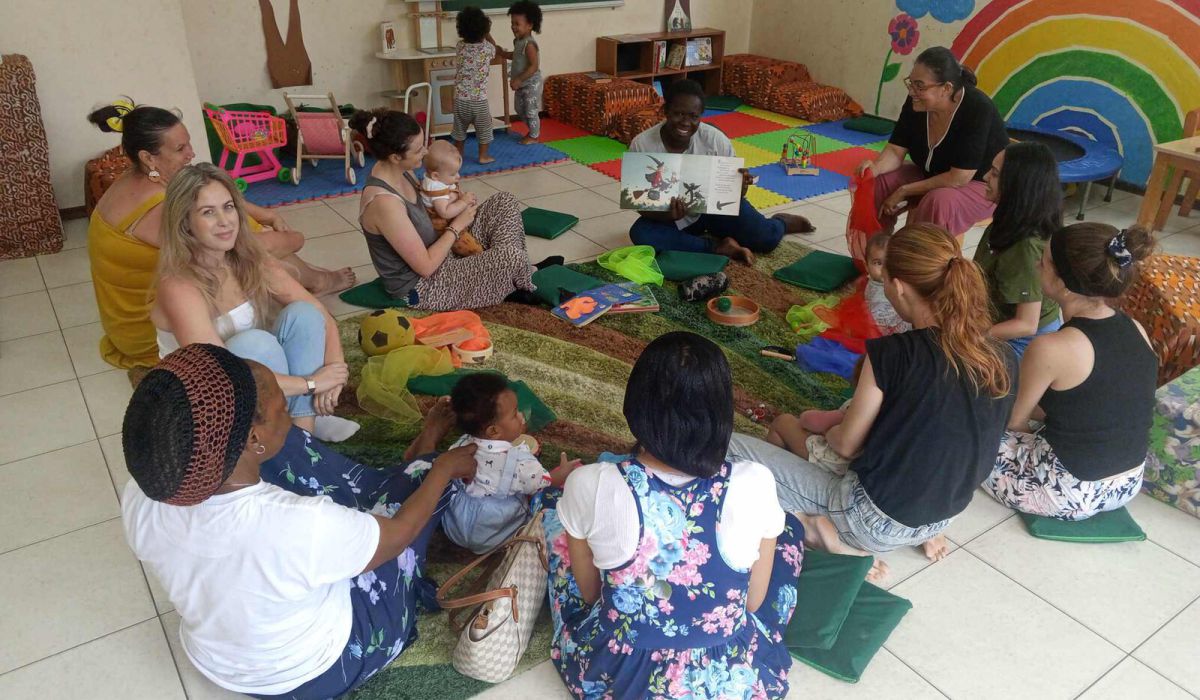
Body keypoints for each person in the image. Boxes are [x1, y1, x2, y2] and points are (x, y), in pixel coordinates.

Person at [121, 343, 478, 699]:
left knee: (287, 447)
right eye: (283, 408)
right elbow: (398, 536)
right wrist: (444, 468)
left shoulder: (145, 491)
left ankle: (388, 480)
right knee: (422, 489)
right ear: (253, 439)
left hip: (219, 662)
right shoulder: (296, 524)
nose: (290, 417)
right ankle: (425, 457)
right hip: (314, 669)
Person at [730, 224, 1016, 580]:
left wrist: (831, 432)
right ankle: (820, 519)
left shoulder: (892, 354)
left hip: (872, 521)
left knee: (724, 450)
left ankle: (816, 530)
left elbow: (846, 445)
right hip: (943, 516)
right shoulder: (1000, 355)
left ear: (897, 287)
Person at [543, 332, 805, 699]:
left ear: (636, 404)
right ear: (720, 412)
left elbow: (590, 595)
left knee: (555, 524)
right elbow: (753, 603)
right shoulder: (754, 481)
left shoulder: (591, 483)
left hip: (620, 676)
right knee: (787, 532)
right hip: (727, 677)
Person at [86, 101, 354, 369]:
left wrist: (265, 215)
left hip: (136, 313)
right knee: (270, 265)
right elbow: (247, 247)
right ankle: (317, 280)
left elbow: (213, 194)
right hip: (146, 329)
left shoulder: (138, 178)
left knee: (268, 263)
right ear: (148, 157)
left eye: (188, 143)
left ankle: (316, 280)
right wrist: (295, 239)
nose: (191, 153)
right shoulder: (159, 210)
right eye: (181, 149)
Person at [152, 163, 359, 443]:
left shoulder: (248, 257)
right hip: (208, 392)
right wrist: (311, 384)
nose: (225, 221)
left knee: (303, 314)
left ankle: (303, 429)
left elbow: (320, 314)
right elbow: (220, 371)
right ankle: (285, 433)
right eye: (208, 212)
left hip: (259, 381)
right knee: (254, 343)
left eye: (228, 207)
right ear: (185, 223)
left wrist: (334, 372)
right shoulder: (178, 285)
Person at [983, 223, 1158, 520]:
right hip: (1126, 483)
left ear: (1063, 284)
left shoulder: (1052, 347)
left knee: (973, 423)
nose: (1037, 264)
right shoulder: (1135, 328)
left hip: (1068, 492)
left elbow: (1014, 421)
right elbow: (1093, 402)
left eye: (1045, 261)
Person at [350, 108, 542, 309]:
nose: (425, 153)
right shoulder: (384, 204)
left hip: (445, 248)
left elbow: (433, 209)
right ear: (395, 157)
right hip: (425, 285)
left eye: (423, 145)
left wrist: (451, 199)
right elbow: (426, 267)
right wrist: (457, 226)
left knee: (504, 201)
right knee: (510, 257)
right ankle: (515, 277)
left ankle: (508, 276)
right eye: (417, 151)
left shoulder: (402, 170)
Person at [628, 80, 814, 264]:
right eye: (678, 114)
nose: (685, 122)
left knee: (766, 239)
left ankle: (781, 222)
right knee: (641, 234)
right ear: (665, 112)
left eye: (693, 117)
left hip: (716, 211)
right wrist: (668, 215)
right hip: (673, 219)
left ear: (701, 116)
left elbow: (735, 197)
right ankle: (717, 247)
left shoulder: (715, 140)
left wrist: (740, 186)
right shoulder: (642, 144)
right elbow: (640, 205)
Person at [857, 47, 1008, 239]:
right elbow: (896, 150)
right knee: (878, 181)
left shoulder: (977, 108)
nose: (912, 92)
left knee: (939, 201)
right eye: (910, 84)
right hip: (932, 175)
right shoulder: (916, 102)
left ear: (946, 88)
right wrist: (874, 169)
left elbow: (959, 178)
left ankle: (922, 265)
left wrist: (905, 190)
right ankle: (879, 254)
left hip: (980, 185)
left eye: (920, 86)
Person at [437, 372, 579, 553]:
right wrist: (563, 471)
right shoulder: (520, 463)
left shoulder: (462, 444)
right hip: (493, 535)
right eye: (514, 414)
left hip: (454, 526)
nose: (521, 416)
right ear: (494, 431)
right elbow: (544, 483)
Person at [974, 141, 1063, 361]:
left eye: (994, 174)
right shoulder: (1010, 220)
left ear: (1016, 184)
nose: (985, 177)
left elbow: (1026, 324)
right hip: (1001, 322)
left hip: (1025, 341)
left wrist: (972, 336)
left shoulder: (1026, 246)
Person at [420, 140, 484, 256]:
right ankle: (477, 258)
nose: (458, 176)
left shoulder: (438, 179)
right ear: (435, 175)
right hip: (446, 229)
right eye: (453, 174)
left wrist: (463, 198)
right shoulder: (436, 189)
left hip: (456, 220)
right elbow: (445, 213)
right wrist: (463, 201)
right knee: (475, 250)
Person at [494, 1, 544, 145]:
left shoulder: (529, 44)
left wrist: (519, 79)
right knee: (519, 108)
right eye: (512, 23)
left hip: (531, 83)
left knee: (530, 109)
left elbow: (534, 66)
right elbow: (516, 56)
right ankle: (532, 130)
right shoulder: (518, 41)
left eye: (517, 23)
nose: (513, 27)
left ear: (530, 25)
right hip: (521, 83)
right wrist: (503, 53)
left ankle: (534, 135)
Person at [452, 5, 497, 163]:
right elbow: (495, 48)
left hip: (460, 100)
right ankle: (483, 156)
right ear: (484, 30)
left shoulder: (460, 46)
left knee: (459, 130)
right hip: (478, 101)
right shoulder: (487, 48)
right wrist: (488, 35)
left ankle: (458, 156)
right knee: (484, 129)